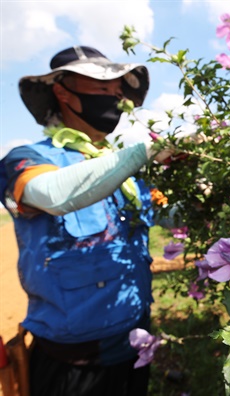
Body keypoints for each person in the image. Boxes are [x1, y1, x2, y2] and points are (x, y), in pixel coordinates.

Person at [0, 45, 169, 396]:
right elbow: (54, 194)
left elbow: (162, 216)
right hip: (74, 359)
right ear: (62, 91)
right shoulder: (29, 158)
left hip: (135, 341)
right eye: (103, 88)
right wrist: (144, 152)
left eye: (119, 89)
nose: (116, 96)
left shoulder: (122, 169)